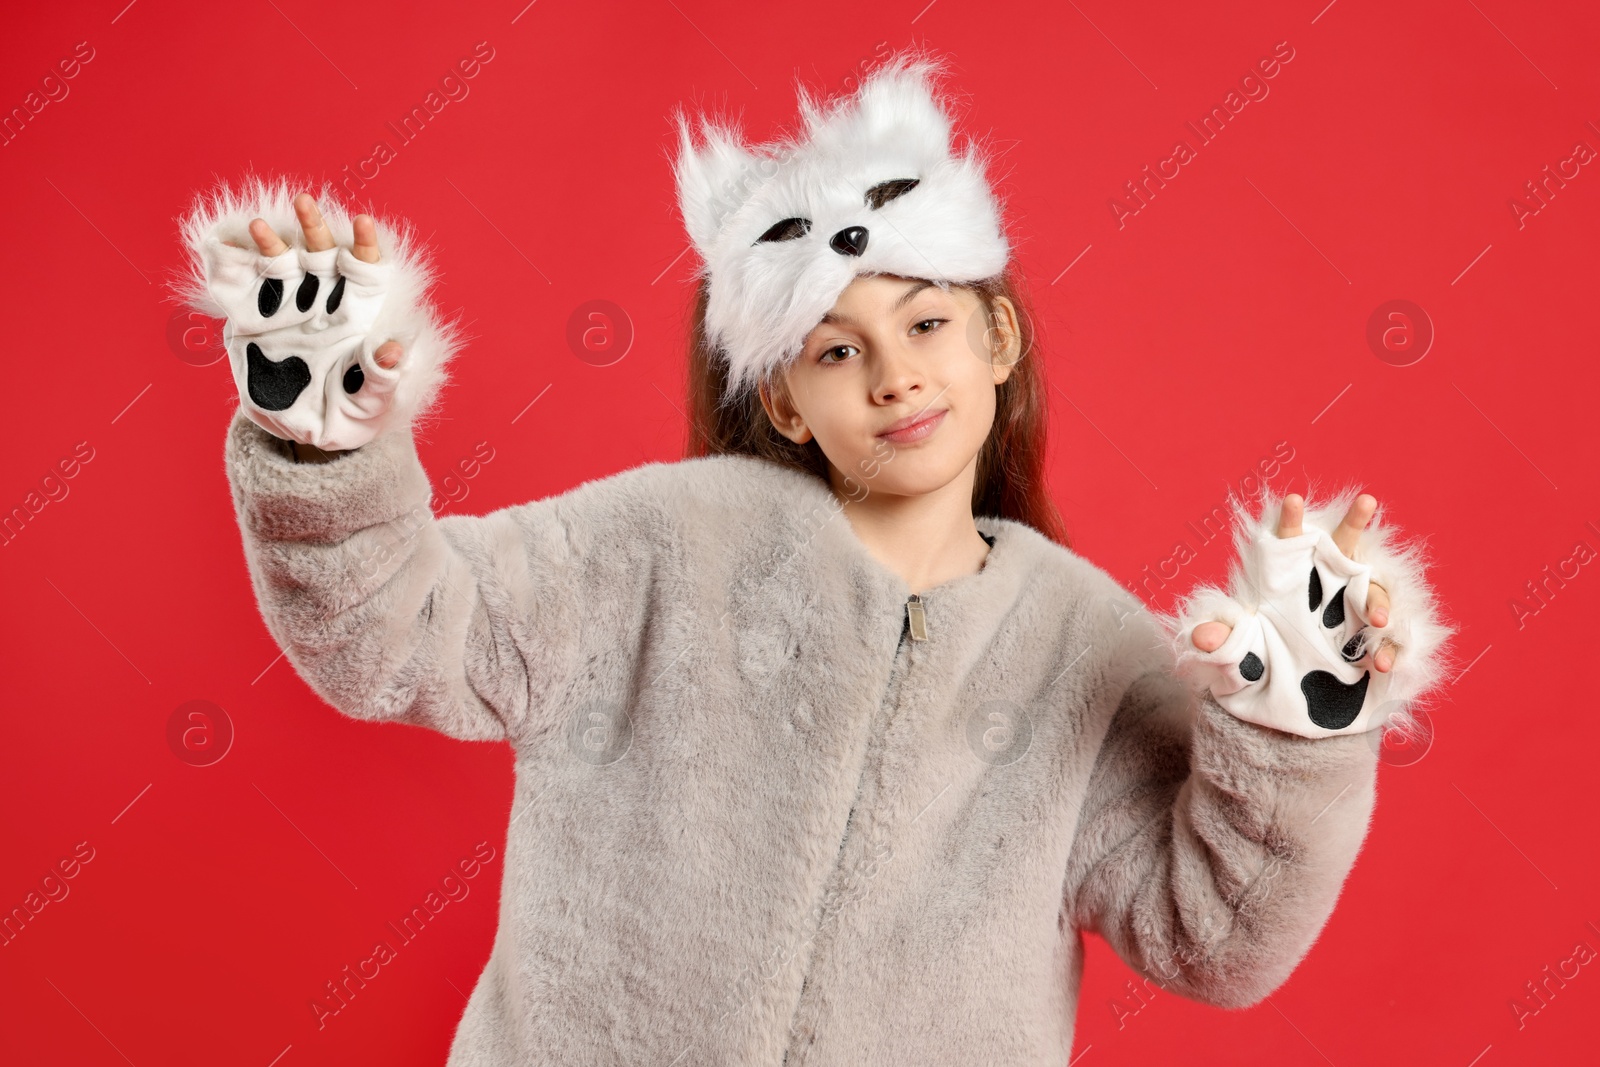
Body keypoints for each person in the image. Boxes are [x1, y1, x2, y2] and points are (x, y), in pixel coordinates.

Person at [174, 48, 1455, 1066]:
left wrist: (1291, 742)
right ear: (785, 402)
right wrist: (325, 444)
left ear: (996, 340)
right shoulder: (659, 545)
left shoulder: (1087, 646)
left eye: (927, 319)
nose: (896, 372)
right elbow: (397, 633)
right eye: (835, 348)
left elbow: (1213, 943)